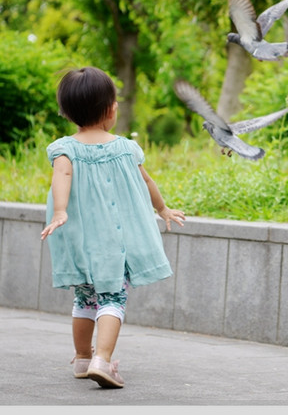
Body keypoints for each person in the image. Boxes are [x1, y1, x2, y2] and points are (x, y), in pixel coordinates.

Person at [41, 67, 185, 388]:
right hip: (114, 244)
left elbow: (61, 177)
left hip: (82, 245)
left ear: (67, 112)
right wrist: (163, 209)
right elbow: (146, 181)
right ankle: (102, 361)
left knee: (84, 301)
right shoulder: (125, 148)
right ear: (110, 109)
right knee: (113, 300)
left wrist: (61, 212)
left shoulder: (65, 148)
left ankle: (81, 358)